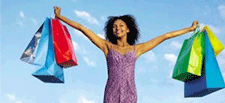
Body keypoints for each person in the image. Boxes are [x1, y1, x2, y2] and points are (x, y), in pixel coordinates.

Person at [54, 6, 199, 103]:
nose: (117, 28)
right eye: (114, 27)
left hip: (130, 93)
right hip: (111, 92)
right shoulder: (107, 46)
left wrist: (189, 29)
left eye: (121, 26)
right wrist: (60, 17)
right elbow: (82, 28)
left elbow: (166, 36)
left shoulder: (138, 49)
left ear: (128, 29)